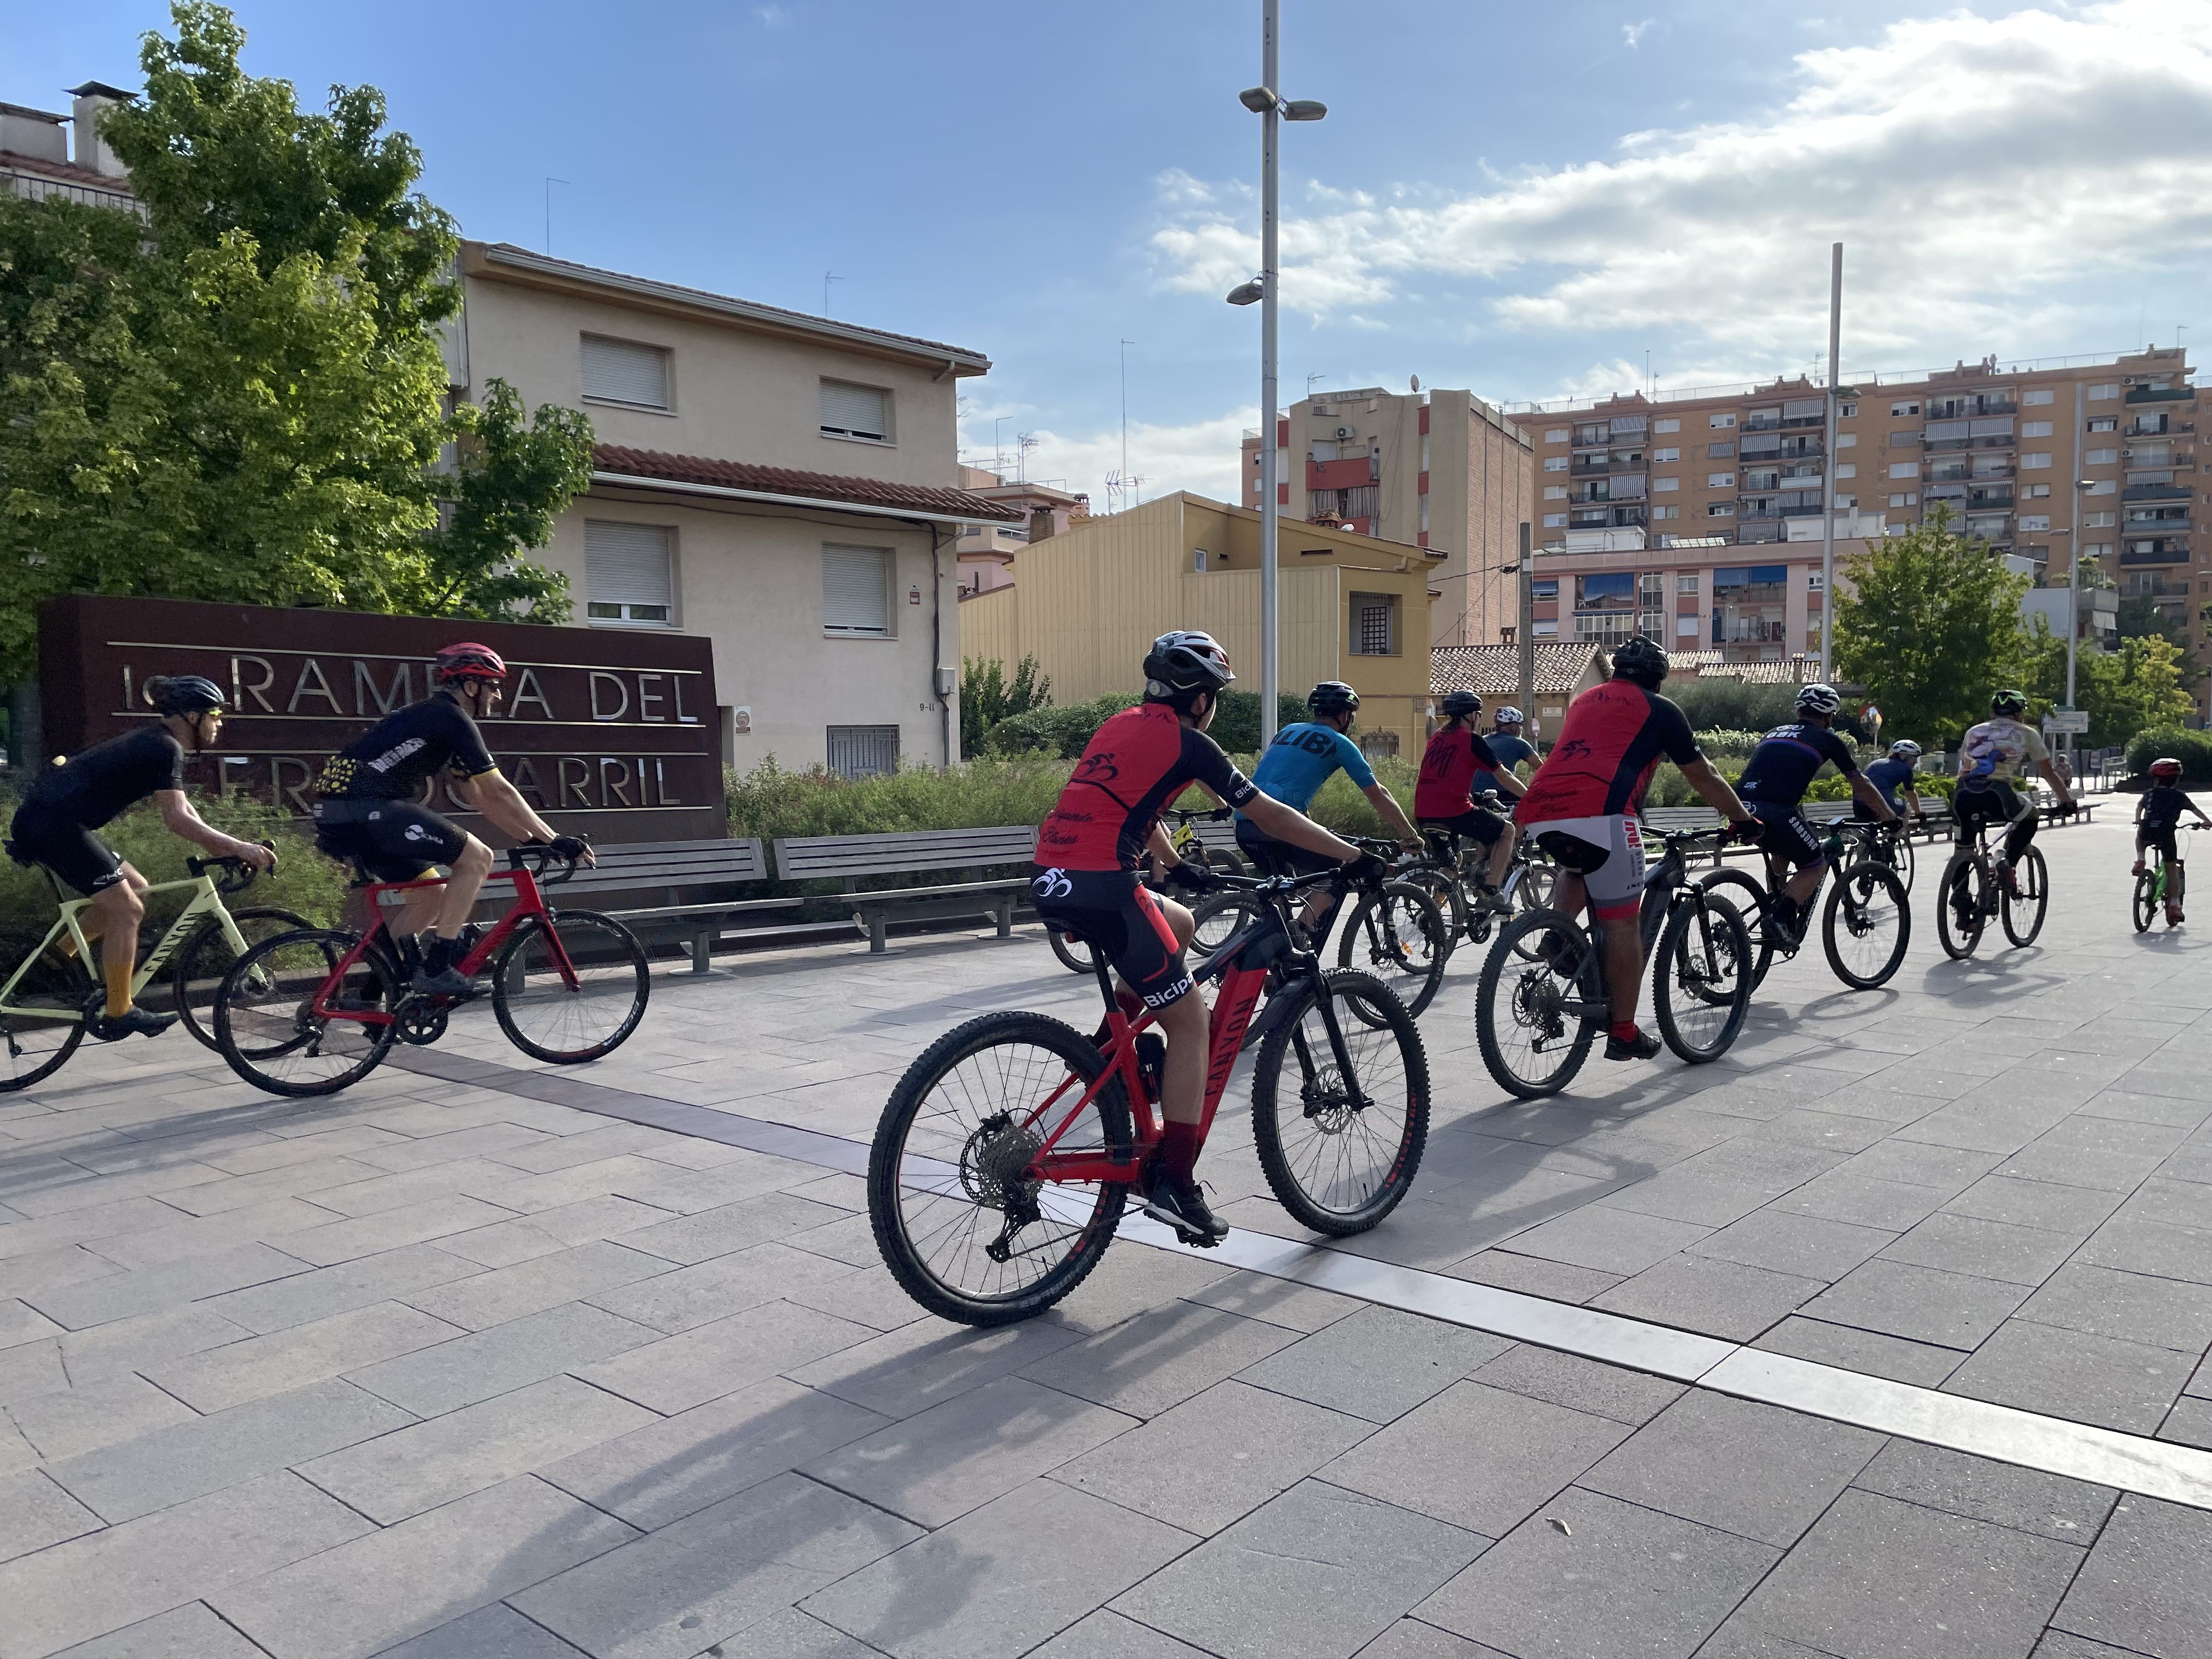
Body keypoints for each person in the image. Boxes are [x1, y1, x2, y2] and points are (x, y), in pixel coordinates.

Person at [1031, 631, 1385, 1244]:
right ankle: (1175, 1183)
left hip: (1052, 877)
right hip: (1104, 886)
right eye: (1216, 694)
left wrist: (1171, 860)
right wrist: (1351, 853)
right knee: (1192, 1024)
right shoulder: (1191, 744)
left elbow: (1121, 800)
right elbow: (1268, 812)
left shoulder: (1119, 724)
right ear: (1201, 699)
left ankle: (1106, 1059)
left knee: (1181, 922)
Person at [1512, 636, 1756, 1061]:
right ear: (1658, 679)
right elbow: (1704, 774)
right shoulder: (1660, 710)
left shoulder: (1585, 700)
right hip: (1604, 814)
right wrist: (1743, 819)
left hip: (1541, 809)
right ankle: (1623, 1032)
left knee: (1577, 866)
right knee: (1623, 924)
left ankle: (1558, 937)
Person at [312, 643, 591, 997]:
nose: (498, 697)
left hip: (343, 814)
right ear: (471, 686)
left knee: (432, 896)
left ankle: (370, 991)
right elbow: (499, 790)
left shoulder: (434, 720)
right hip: (368, 809)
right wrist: (554, 838)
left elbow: (477, 796)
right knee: (478, 858)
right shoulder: (451, 717)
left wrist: (530, 840)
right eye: (494, 686)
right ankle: (438, 966)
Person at [7, 676, 274, 1039]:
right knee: (127, 909)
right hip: (53, 826)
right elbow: (177, 820)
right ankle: (120, 1011)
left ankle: (54, 964)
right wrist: (239, 848)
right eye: (215, 714)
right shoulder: (164, 748)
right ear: (193, 717)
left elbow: (185, 811)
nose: (220, 723)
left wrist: (225, 846)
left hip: (56, 823)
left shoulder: (159, 744)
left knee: (137, 888)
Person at [1235, 681, 1420, 939]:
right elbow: (1378, 794)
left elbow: (1284, 782)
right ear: (1345, 716)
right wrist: (1409, 835)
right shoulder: (1339, 742)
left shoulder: (1287, 731)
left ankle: (1273, 945)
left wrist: (1314, 827)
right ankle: (1300, 934)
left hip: (1245, 823)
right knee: (1338, 867)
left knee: (1282, 891)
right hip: (1279, 824)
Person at [1734, 685, 1901, 945]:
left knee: (1782, 849)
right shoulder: (1828, 739)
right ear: (1829, 717)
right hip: (1778, 810)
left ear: (1800, 711)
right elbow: (1861, 784)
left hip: (1742, 808)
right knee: (1815, 865)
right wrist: (1889, 816)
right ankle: (1778, 918)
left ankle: (1778, 905)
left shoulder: (1773, 732)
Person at [1954, 689, 2076, 899]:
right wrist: (2067, 802)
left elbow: (1964, 764)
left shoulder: (1974, 731)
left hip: (1963, 794)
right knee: (2031, 816)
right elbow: (2047, 773)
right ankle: (2007, 863)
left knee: (1962, 851)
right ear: (2019, 713)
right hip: (1997, 795)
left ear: (1994, 712)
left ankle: (1962, 907)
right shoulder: (2027, 733)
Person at [1415, 691, 1526, 909]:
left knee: (1451, 865)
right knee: (1508, 831)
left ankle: (1431, 912)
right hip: (1453, 811)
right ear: (1472, 716)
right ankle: (1491, 890)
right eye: (1479, 714)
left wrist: (1474, 797)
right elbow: (1504, 776)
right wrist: (1531, 796)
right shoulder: (1471, 739)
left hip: (1424, 812)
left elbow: (1442, 776)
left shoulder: (1437, 737)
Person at [2133, 757, 2208, 925]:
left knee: (2140, 834)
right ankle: (2174, 905)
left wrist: (2138, 820)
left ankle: (2140, 859)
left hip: (2148, 830)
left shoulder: (2149, 794)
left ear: (2156, 779)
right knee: (2171, 868)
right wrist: (2207, 822)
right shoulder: (2179, 796)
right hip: (2166, 833)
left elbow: (2139, 807)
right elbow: (2195, 810)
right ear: (2176, 780)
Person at [1479, 706, 1539, 798]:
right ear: (1514, 726)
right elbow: (1541, 767)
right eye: (1520, 725)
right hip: (1500, 793)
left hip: (1474, 793)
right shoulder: (1518, 742)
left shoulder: (1483, 740)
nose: (1521, 729)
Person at [1862, 740, 1926, 822]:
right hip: (1883, 805)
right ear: (1904, 755)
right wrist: (1919, 813)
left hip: (1860, 804)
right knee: (1907, 809)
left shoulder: (1875, 764)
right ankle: (1895, 835)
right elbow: (1910, 794)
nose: (1916, 761)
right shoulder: (1906, 770)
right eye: (1914, 757)